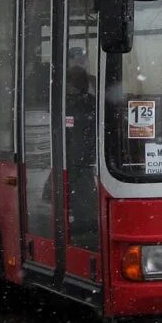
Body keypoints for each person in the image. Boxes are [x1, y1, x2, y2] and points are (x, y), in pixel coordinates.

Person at [65, 63, 99, 249]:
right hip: (83, 155)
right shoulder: (88, 102)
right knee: (82, 188)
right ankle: (85, 219)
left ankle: (84, 220)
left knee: (80, 187)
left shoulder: (72, 102)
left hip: (78, 156)